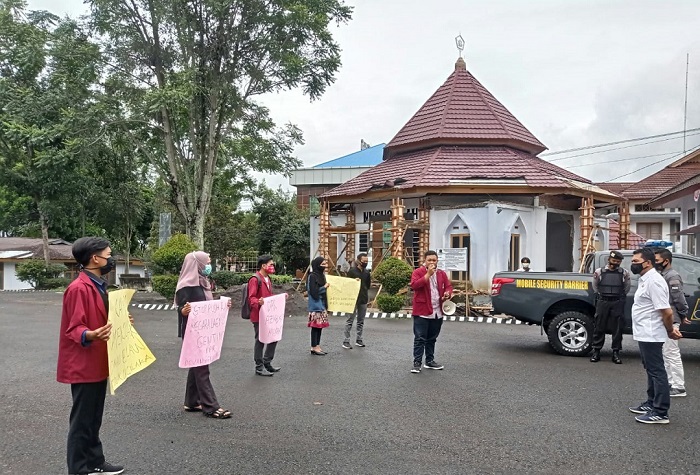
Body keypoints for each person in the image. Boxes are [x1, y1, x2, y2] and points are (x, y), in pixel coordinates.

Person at [57, 237, 125, 475]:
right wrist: (91, 334)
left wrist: (121, 322)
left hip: (97, 361)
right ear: (94, 258)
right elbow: (73, 328)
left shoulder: (98, 284)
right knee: (82, 420)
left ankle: (96, 460)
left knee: (93, 417)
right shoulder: (78, 288)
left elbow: (103, 319)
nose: (110, 259)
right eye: (108, 254)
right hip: (83, 364)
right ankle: (78, 468)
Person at [176, 251, 232, 419]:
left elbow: (207, 307)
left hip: (204, 331)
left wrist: (222, 305)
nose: (209, 265)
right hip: (193, 333)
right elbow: (181, 308)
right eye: (206, 262)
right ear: (198, 265)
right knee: (202, 368)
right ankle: (211, 406)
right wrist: (183, 310)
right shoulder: (186, 286)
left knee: (197, 366)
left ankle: (191, 402)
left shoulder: (203, 282)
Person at [628, 247, 681, 424]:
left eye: (636, 262)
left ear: (648, 263)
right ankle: (651, 403)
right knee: (651, 369)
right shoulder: (645, 279)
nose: (632, 264)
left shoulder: (655, 282)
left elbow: (666, 312)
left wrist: (669, 330)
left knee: (657, 371)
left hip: (652, 333)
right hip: (644, 333)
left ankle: (660, 411)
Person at [409, 250, 454, 373]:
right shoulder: (418, 272)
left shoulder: (441, 274)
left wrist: (447, 294)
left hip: (437, 311)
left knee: (432, 338)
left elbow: (449, 286)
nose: (432, 262)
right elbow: (414, 285)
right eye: (429, 260)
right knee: (420, 338)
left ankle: (429, 361)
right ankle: (417, 363)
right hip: (422, 311)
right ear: (424, 261)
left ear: (437, 261)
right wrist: (428, 275)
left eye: (434, 260)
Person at [654, 248, 690, 397]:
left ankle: (679, 386)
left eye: (657, 260)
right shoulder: (663, 274)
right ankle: (671, 382)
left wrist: (683, 314)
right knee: (666, 352)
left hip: (672, 318)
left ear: (666, 261)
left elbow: (678, 298)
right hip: (665, 318)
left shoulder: (672, 276)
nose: (655, 263)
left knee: (671, 352)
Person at [590, 250, 630, 364]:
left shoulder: (624, 273)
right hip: (603, 301)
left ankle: (616, 353)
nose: (615, 263)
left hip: (617, 302)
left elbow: (626, 288)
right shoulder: (599, 272)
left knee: (618, 328)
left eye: (618, 261)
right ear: (609, 260)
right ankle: (596, 351)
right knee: (599, 326)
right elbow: (595, 287)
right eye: (614, 261)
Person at [247, 255, 281, 376]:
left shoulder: (268, 279)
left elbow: (269, 296)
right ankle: (259, 367)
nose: (272, 267)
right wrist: (258, 302)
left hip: (268, 315)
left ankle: (267, 362)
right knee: (260, 340)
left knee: (274, 337)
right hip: (258, 315)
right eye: (271, 264)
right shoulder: (255, 279)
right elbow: (251, 298)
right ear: (263, 265)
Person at [343, 253, 371, 349]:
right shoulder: (352, 271)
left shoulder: (367, 273)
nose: (365, 263)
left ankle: (359, 339)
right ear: (358, 261)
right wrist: (353, 282)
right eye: (364, 261)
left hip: (363, 298)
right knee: (350, 320)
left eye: (367, 261)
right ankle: (346, 340)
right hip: (352, 299)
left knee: (361, 320)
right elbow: (346, 284)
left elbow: (368, 285)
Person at [307, 256, 330, 355]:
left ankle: (317, 346)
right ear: (317, 265)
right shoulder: (312, 276)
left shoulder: (322, 276)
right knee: (315, 327)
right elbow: (312, 291)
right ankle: (313, 346)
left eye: (325, 264)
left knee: (320, 327)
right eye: (322, 264)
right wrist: (324, 287)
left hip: (322, 305)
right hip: (316, 305)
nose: (324, 266)